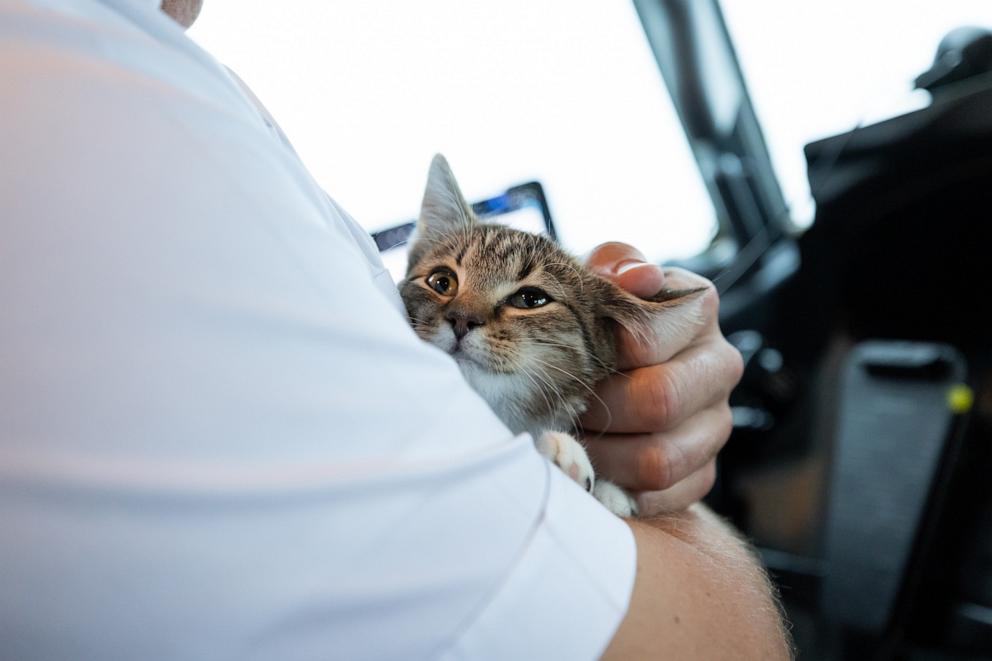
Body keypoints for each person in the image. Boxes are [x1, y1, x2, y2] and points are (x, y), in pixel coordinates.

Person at [0, 0, 790, 658]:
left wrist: (646, 446)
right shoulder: (95, 83)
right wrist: (672, 510)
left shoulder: (144, 72)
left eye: (525, 300)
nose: (464, 313)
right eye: (441, 283)